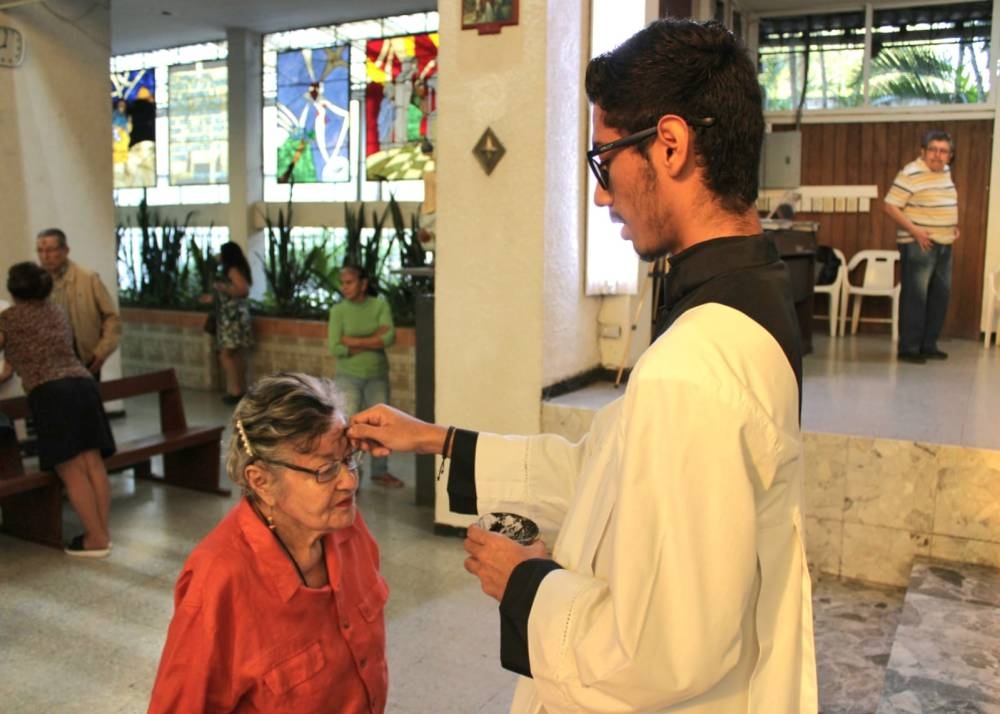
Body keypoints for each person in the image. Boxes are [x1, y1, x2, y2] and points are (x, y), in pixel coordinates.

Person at [350, 18, 817, 713]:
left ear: (670, 144)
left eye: (605, 161)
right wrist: (435, 440)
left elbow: (660, 653)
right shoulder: (751, 301)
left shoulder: (691, 370)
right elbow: (607, 469)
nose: (601, 195)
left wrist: (526, 580)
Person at [148, 373, 388, 713]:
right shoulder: (220, 579)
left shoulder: (347, 527)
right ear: (261, 481)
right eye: (325, 470)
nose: (349, 481)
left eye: (348, 459)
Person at [0, 263, 116, 557]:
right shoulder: (56, 312)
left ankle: (95, 539)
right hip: (83, 385)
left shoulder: (9, 319)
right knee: (93, 464)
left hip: (50, 393)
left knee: (71, 470)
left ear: (13, 291)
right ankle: (101, 532)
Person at [883, 131, 959, 363]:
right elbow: (890, 206)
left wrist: (952, 227)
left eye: (943, 151)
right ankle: (909, 348)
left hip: (944, 244)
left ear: (950, 155)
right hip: (919, 244)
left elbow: (940, 203)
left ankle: (928, 344)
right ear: (923, 151)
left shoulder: (945, 172)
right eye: (933, 149)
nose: (937, 155)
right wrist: (915, 231)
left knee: (939, 296)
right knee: (916, 297)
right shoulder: (910, 173)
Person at [328, 265, 402, 489]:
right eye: (343, 283)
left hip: (377, 374)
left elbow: (388, 338)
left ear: (363, 283)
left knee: (381, 425)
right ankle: (351, 472)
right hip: (347, 376)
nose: (345, 287)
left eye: (349, 282)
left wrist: (353, 340)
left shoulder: (379, 305)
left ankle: (380, 472)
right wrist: (372, 339)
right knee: (349, 426)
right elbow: (336, 347)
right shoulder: (338, 311)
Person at [36, 227, 121, 379]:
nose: (45, 256)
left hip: (84, 358)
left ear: (65, 250)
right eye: (40, 250)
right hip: (49, 362)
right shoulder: (35, 282)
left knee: (86, 401)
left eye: (50, 250)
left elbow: (111, 318)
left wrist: (102, 352)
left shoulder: (88, 278)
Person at [201, 242, 253, 403]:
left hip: (232, 319)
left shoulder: (232, 270)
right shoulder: (237, 268)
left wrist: (222, 287)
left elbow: (242, 290)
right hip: (233, 317)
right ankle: (239, 389)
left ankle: (236, 390)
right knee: (234, 353)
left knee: (226, 354)